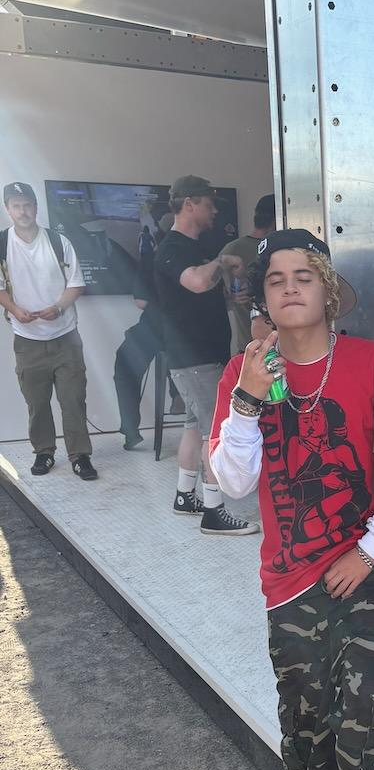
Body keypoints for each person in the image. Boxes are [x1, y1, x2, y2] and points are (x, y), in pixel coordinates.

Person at [209, 228, 374, 770]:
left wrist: (371, 548)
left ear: (327, 289)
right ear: (263, 297)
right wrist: (246, 399)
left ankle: (369, 757)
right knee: (304, 707)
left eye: (304, 275)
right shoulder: (247, 371)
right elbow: (232, 482)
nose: (290, 287)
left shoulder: (371, 362)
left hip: (367, 556)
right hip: (289, 573)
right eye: (276, 279)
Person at [153, 175, 256, 535]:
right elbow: (196, 282)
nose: (214, 211)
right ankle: (214, 512)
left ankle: (185, 496)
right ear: (190, 204)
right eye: (209, 204)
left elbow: (197, 296)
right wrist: (223, 260)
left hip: (201, 355)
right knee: (216, 431)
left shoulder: (193, 248)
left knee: (194, 427)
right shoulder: (172, 248)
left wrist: (229, 297)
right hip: (194, 357)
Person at [0, 181, 97, 480]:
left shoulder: (58, 241)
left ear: (36, 206)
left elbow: (76, 284)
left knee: (73, 399)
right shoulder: (2, 244)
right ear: (8, 209)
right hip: (27, 340)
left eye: (27, 205)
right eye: (16, 206)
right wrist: (15, 309)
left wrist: (58, 308)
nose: (23, 211)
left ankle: (80, 456)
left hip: (66, 336)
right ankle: (44, 452)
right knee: (37, 402)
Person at [113, 213, 182, 450]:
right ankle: (177, 393)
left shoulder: (153, 256)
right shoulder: (197, 254)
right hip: (190, 333)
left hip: (155, 327)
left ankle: (130, 430)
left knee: (124, 365)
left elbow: (141, 302)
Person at [218, 193, 276, 355]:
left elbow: (225, 295)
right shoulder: (279, 250)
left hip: (248, 346)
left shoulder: (231, 249)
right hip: (265, 346)